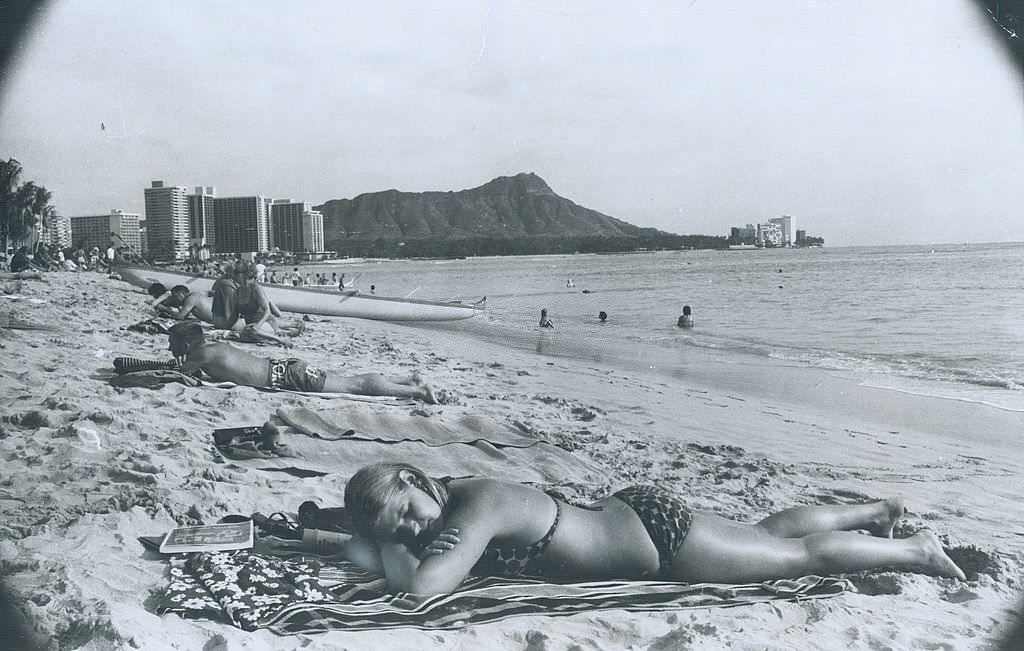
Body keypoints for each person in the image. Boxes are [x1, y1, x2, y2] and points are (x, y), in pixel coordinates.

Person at [342, 462, 966, 596]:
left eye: (406, 515)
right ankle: (874, 515)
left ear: (413, 479)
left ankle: (915, 549)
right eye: (399, 528)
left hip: (657, 541)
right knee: (765, 535)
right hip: (635, 519)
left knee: (795, 556)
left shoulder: (478, 508)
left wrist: (389, 547)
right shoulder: (452, 498)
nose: (413, 531)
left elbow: (425, 589)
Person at [167, 322, 437, 402]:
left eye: (172, 343)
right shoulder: (215, 347)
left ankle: (416, 390)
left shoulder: (201, 354)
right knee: (351, 381)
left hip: (287, 377)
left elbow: (172, 372)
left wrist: (179, 361)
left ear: (188, 345)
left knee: (357, 386)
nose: (169, 347)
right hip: (286, 368)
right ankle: (407, 379)